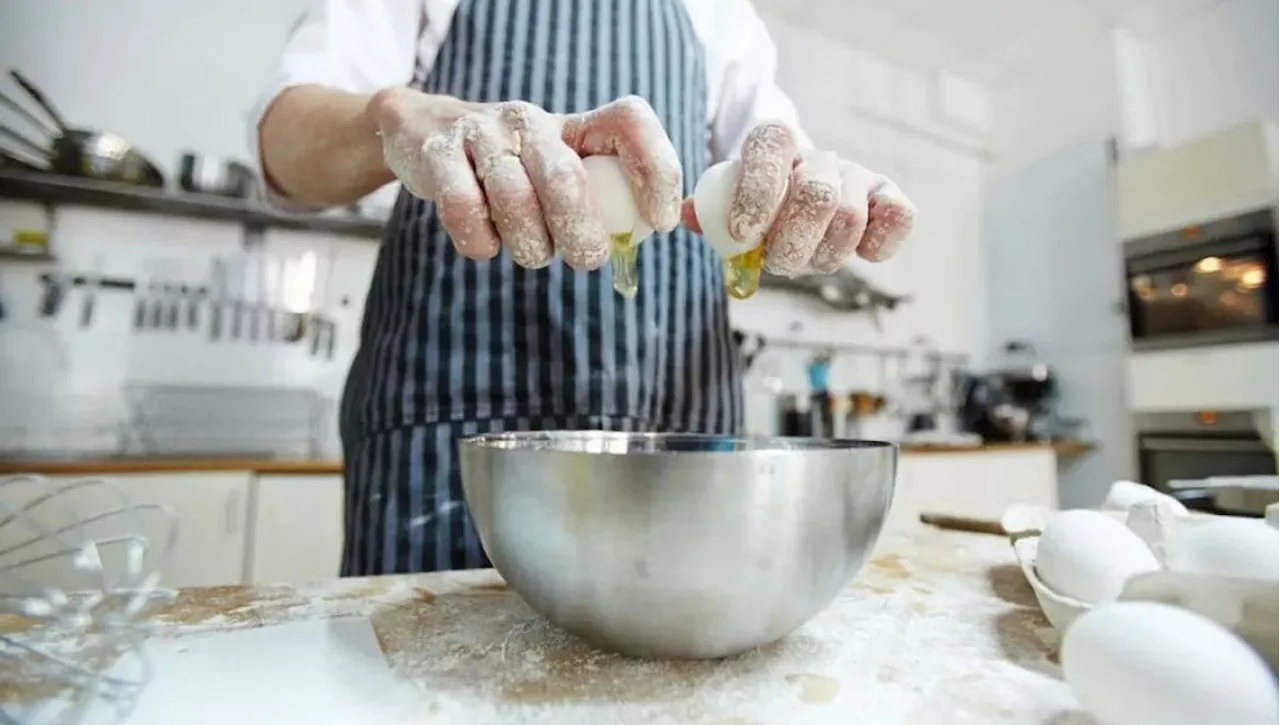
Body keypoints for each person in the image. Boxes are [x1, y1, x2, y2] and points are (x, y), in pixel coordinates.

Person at [250, 0, 916, 576]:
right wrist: (397, 120)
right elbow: (283, 146)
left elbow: (769, 170)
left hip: (675, 446)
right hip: (443, 448)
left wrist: (806, 187)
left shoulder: (719, 12)